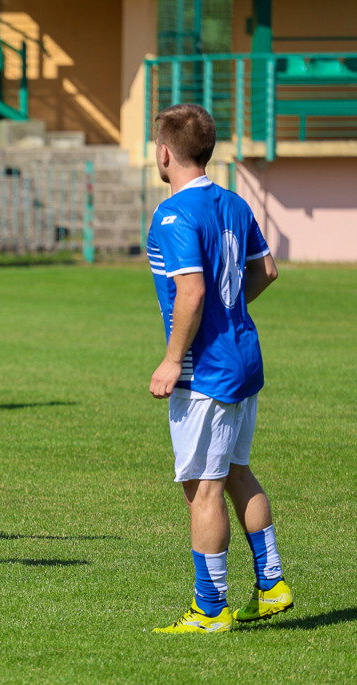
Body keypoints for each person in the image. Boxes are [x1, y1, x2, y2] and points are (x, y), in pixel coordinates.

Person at [147, 104, 291, 633]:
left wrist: (170, 360)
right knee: (234, 472)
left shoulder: (173, 214)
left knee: (201, 488)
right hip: (244, 358)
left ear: (165, 152)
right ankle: (272, 585)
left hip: (205, 370)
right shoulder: (233, 202)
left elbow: (192, 290)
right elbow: (267, 270)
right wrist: (232, 315)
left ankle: (210, 610)